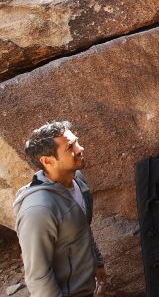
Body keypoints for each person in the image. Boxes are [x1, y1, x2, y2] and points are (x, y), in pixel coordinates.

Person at [13, 121, 108, 297]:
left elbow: (83, 226)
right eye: (70, 147)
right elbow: (38, 277)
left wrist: (97, 262)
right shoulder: (38, 210)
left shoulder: (77, 179)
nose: (80, 149)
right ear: (47, 160)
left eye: (76, 141)